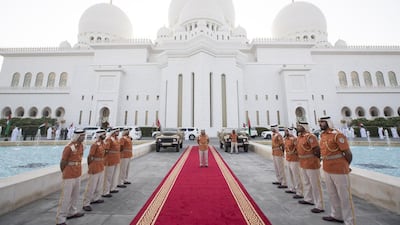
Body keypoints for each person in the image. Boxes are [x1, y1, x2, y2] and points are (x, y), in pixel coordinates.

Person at [319, 116, 356, 224]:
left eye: (322, 122)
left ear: (328, 123)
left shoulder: (337, 135)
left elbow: (348, 153)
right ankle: (337, 215)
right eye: (320, 122)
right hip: (327, 168)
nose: (320, 124)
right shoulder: (323, 136)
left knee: (344, 196)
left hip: (339, 169)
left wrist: (345, 165)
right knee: (332, 194)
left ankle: (350, 221)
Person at [55, 130, 86, 225]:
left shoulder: (81, 146)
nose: (84, 137)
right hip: (69, 174)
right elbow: (63, 162)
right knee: (66, 197)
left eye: (84, 135)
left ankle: (72, 211)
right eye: (82, 136)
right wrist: (65, 172)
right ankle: (60, 218)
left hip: (77, 173)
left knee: (75, 194)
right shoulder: (69, 147)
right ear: (77, 136)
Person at [296, 121, 325, 214]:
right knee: (306, 182)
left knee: (315, 184)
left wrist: (316, 160)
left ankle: (319, 205)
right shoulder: (300, 137)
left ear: (304, 127)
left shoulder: (310, 137)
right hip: (303, 163)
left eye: (300, 126)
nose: (298, 127)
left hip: (311, 163)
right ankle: (309, 199)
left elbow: (316, 149)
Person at [82, 130, 106, 212]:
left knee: (99, 184)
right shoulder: (95, 144)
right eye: (103, 134)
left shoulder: (103, 143)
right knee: (91, 186)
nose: (105, 135)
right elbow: (90, 156)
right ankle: (86, 203)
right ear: (99, 135)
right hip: (95, 166)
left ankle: (96, 198)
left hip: (101, 165)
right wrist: (90, 166)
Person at [283, 127, 303, 199]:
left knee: (296, 176)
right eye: (285, 131)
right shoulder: (286, 139)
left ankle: (299, 192)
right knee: (289, 175)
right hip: (288, 158)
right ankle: (292, 188)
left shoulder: (294, 139)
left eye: (286, 131)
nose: (285, 132)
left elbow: (298, 149)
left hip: (294, 159)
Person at [102, 128, 121, 198]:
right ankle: (105, 191)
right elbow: (106, 150)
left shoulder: (117, 139)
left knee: (114, 175)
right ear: (114, 132)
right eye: (117, 131)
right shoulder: (109, 139)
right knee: (108, 176)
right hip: (110, 160)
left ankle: (112, 188)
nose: (118, 132)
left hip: (116, 159)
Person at [271, 124, 287, 189]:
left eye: (273, 128)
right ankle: (279, 180)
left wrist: (282, 152)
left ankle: (284, 182)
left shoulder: (278, 135)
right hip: (274, 153)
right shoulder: (273, 135)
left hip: (278, 153)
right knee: (276, 168)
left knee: (280, 168)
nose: (271, 129)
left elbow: (282, 144)